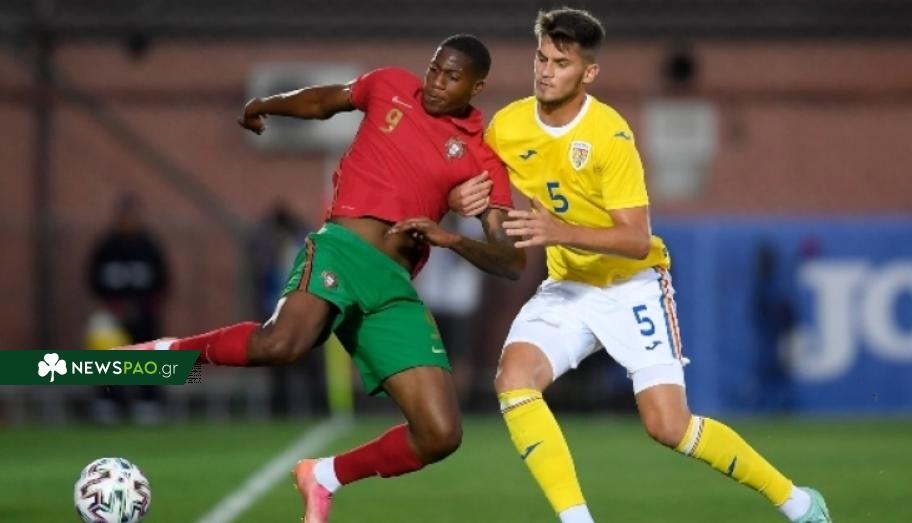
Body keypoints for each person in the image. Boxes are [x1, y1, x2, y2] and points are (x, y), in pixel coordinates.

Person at [116, 34, 523, 523]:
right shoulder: (391, 85)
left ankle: (324, 476)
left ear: (477, 87)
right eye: (434, 68)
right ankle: (164, 354)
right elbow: (323, 101)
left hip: (393, 287)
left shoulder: (480, 157)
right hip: (342, 250)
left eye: (451, 76)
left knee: (440, 434)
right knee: (281, 343)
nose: (436, 82)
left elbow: (511, 260)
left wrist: (451, 238)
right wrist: (264, 104)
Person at [452, 8, 831, 523]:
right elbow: (477, 181)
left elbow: (634, 239)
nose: (545, 71)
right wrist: (464, 197)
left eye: (561, 63)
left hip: (631, 285)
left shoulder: (610, 136)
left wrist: (557, 231)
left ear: (588, 72)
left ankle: (799, 502)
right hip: (569, 285)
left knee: (668, 427)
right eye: (541, 58)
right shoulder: (510, 126)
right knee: (514, 380)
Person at [86, 194, 170, 424]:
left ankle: (148, 401)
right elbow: (93, 280)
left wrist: (145, 306)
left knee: (149, 354)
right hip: (113, 314)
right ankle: (108, 400)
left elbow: (163, 281)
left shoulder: (149, 247)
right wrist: (113, 305)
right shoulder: (106, 247)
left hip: (143, 314)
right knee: (104, 346)